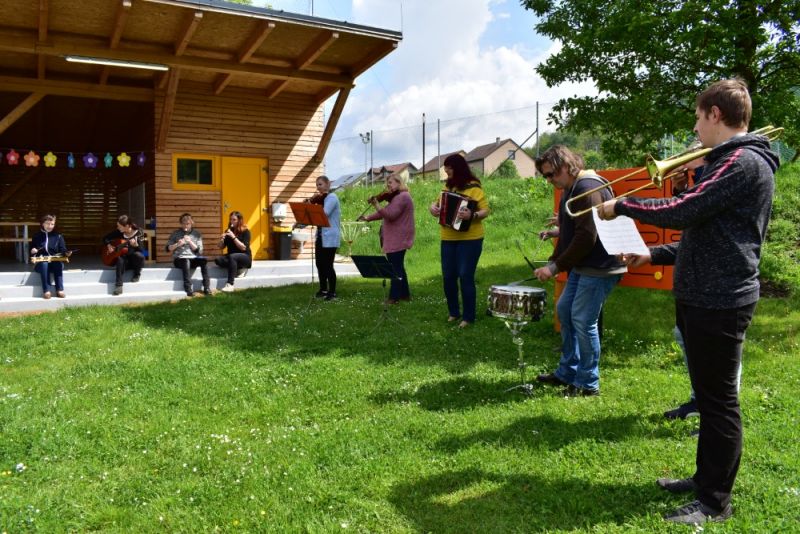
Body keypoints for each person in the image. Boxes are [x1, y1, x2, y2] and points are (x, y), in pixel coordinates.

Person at [597, 79, 779, 525]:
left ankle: (714, 503)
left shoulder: (740, 162)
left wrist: (623, 205)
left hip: (720, 299)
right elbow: (707, 236)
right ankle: (704, 480)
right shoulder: (729, 162)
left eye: (698, 117)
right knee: (710, 399)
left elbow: (681, 210)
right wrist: (653, 254)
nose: (696, 128)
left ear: (715, 114)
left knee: (718, 403)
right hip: (704, 294)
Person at [533, 145, 626, 396]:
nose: (549, 180)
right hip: (585, 264)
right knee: (565, 310)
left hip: (600, 266)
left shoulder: (587, 188)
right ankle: (568, 372)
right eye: (545, 176)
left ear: (566, 166)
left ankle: (587, 382)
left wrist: (554, 267)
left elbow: (586, 237)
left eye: (551, 173)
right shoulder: (572, 188)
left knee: (583, 321)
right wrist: (557, 240)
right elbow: (575, 230)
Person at [428, 153, 490, 328]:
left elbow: (485, 210)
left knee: (465, 276)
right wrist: (432, 208)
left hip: (471, 239)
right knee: (448, 276)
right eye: (445, 168)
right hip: (448, 238)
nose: (446, 171)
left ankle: (468, 317)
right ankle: (454, 312)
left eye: (449, 168)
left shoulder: (474, 187)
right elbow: (436, 204)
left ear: (458, 168)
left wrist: (473, 215)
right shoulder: (447, 188)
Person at [358, 175, 415, 303]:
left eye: (390, 182)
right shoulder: (397, 197)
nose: (388, 185)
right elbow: (385, 211)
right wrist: (368, 218)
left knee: (395, 268)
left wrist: (376, 204)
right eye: (387, 183)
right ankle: (404, 295)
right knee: (398, 266)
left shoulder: (403, 197)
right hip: (396, 237)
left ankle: (394, 297)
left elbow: (390, 215)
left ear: (399, 183)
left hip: (398, 238)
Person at [165, 213, 211, 297]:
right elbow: (168, 249)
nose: (186, 226)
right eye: (184, 223)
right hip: (180, 259)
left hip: (193, 258)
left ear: (192, 223)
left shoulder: (196, 234)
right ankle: (188, 288)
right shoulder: (176, 233)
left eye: (188, 223)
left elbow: (200, 251)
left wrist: (190, 242)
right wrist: (177, 244)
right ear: (181, 223)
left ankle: (206, 287)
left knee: (203, 260)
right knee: (186, 261)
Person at [310, 175, 341, 301]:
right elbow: (315, 218)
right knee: (319, 264)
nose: (318, 187)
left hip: (330, 237)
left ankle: (332, 292)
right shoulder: (322, 199)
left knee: (328, 265)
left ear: (328, 184)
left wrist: (312, 206)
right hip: (321, 236)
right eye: (317, 185)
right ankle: (323, 289)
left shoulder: (332, 197)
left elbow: (324, 213)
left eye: (320, 184)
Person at [30, 214, 72, 299]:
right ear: (43, 224)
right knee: (44, 264)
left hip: (54, 263)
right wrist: (33, 250)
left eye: (52, 224)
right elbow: (32, 251)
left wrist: (66, 253)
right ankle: (47, 291)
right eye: (48, 224)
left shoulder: (58, 236)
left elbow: (63, 250)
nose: (50, 226)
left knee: (58, 264)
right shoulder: (36, 236)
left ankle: (60, 290)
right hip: (41, 264)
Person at [103, 215, 145, 296]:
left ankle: (137, 274)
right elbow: (105, 238)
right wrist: (108, 245)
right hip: (124, 261)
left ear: (127, 226)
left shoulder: (139, 232)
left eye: (119, 226)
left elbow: (142, 250)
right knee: (120, 259)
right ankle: (119, 286)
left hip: (135, 262)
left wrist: (136, 245)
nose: (117, 228)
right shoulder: (119, 232)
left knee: (138, 255)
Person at [215, 211, 252, 293]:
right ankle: (239, 268)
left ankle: (230, 284)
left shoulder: (246, 231)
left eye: (234, 219)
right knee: (218, 260)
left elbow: (243, 248)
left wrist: (233, 237)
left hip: (245, 256)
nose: (232, 221)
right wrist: (221, 239)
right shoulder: (228, 231)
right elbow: (221, 247)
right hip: (232, 256)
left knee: (233, 256)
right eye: (231, 219)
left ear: (239, 220)